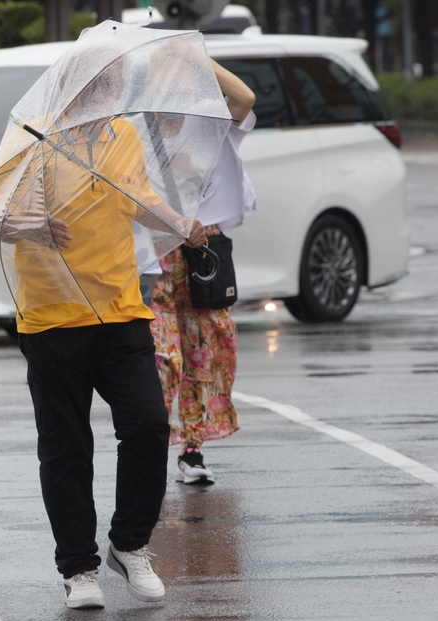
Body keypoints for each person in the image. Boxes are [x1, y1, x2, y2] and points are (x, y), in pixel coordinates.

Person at [0, 58, 207, 609]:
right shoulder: (32, 135)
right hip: (52, 315)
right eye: (99, 84)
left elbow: (138, 198)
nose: (108, 92)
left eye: (113, 84)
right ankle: (78, 568)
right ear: (73, 88)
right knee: (66, 445)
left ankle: (129, 544)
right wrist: (32, 227)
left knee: (149, 426)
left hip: (120, 308)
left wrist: (180, 224)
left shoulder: (122, 136)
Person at [149, 60, 256, 484]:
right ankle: (151, 447)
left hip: (201, 248)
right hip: (156, 253)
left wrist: (193, 56)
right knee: (163, 356)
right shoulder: (136, 128)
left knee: (206, 348)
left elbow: (244, 98)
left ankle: (192, 450)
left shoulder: (208, 123)